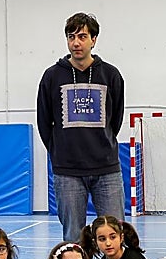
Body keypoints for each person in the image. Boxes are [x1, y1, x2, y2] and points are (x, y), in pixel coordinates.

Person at [36, 12, 125, 243]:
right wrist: (59, 152)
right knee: (73, 239)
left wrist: (101, 144)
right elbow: (44, 122)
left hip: (107, 169)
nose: (76, 42)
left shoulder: (111, 75)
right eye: (71, 36)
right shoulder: (52, 76)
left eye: (82, 36)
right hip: (67, 172)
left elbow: (115, 120)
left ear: (93, 39)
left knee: (114, 237)